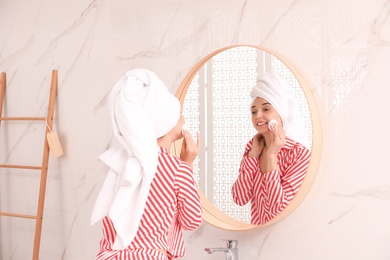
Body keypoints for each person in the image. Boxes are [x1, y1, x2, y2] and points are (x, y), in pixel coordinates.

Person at [90, 69, 202, 259]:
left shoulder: (119, 162)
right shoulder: (177, 169)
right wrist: (187, 166)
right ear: (168, 122)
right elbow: (191, 221)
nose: (183, 117)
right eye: (180, 112)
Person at [231, 71, 311, 225]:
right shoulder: (252, 148)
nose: (258, 115)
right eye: (253, 111)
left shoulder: (299, 154)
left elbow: (278, 211)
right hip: (260, 237)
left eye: (266, 109)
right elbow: (239, 198)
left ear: (281, 113)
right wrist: (253, 157)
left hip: (286, 237)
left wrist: (271, 157)